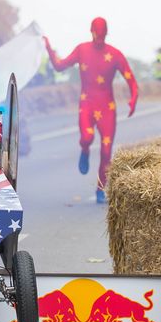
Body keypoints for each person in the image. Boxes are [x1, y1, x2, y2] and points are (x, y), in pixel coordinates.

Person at [43, 17, 139, 204]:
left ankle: (100, 189)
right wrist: (48, 48)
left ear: (106, 33)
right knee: (87, 136)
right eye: (97, 33)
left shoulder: (115, 54)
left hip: (107, 107)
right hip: (87, 103)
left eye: (102, 34)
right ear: (91, 32)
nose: (99, 38)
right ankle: (85, 150)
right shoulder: (82, 50)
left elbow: (131, 79)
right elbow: (59, 66)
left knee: (106, 151)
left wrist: (134, 97)